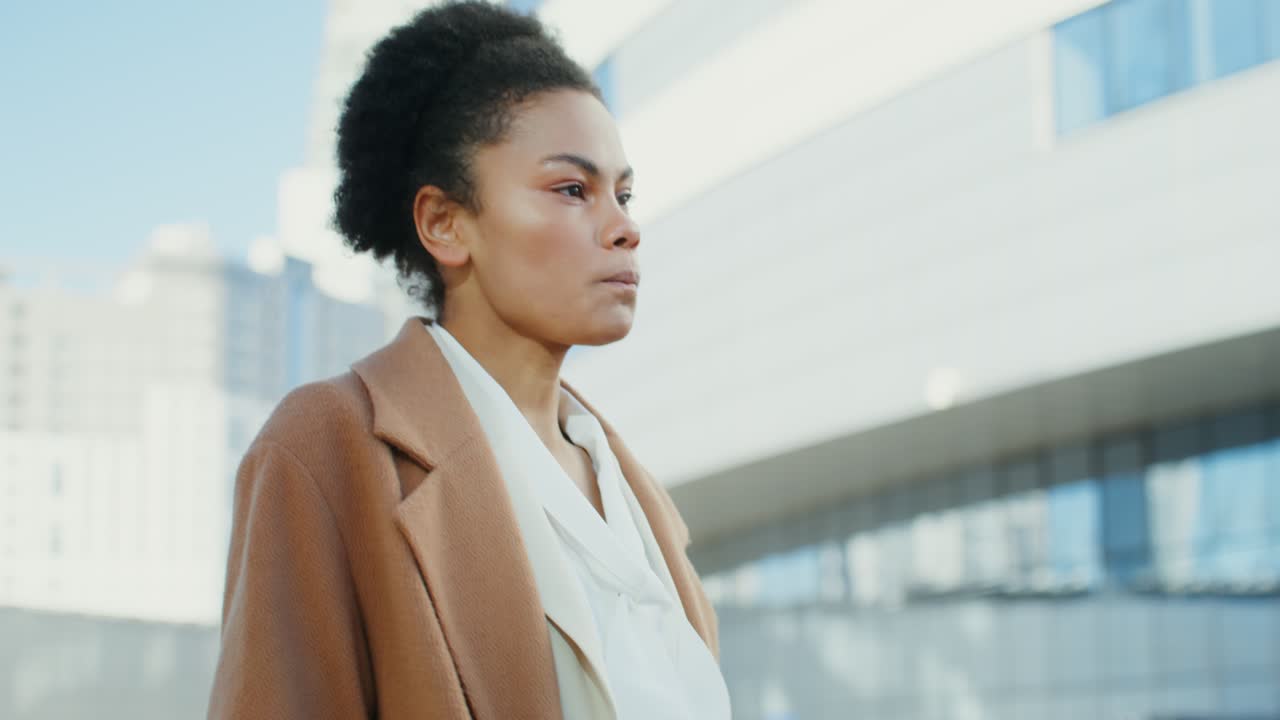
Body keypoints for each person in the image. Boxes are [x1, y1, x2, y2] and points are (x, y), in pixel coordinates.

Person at [206, 3, 731, 719]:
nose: (624, 227)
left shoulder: (636, 493)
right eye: (572, 190)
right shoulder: (326, 448)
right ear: (444, 223)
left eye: (625, 194)